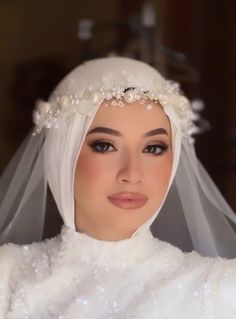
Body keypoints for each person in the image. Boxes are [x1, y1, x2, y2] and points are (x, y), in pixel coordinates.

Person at [0, 57, 236, 318]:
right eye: (104, 146)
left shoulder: (219, 290)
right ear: (62, 153)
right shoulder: (7, 277)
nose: (132, 174)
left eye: (154, 148)